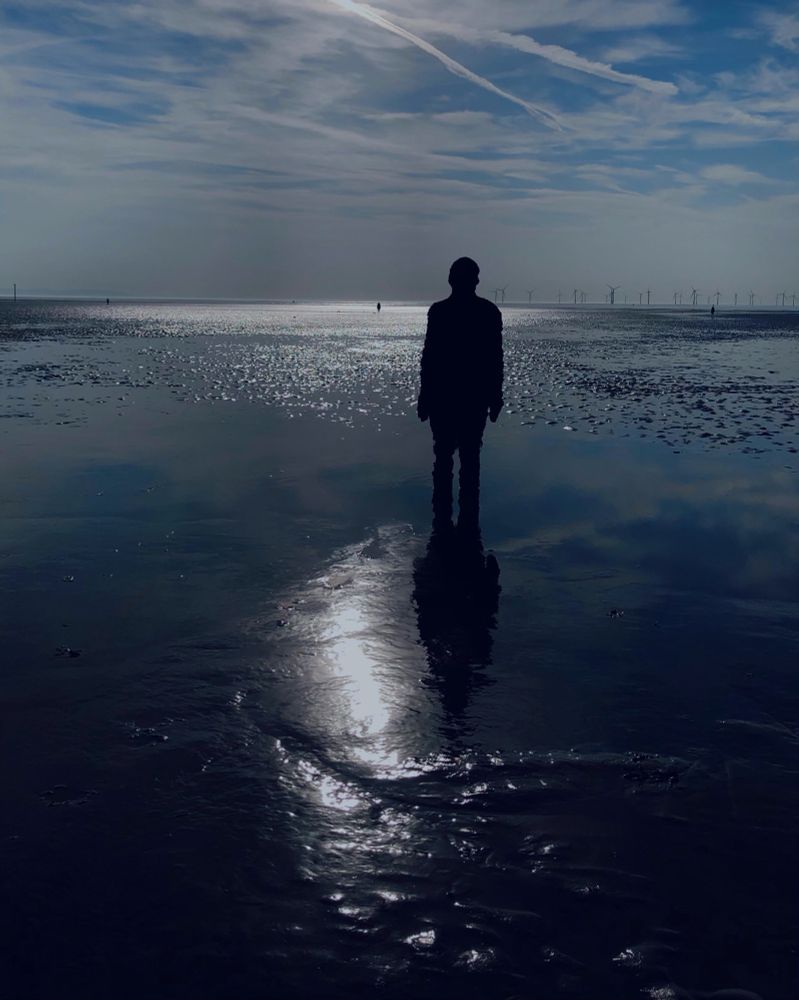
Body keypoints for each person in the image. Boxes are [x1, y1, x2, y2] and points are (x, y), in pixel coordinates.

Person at [417, 257, 503, 534]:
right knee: (467, 461)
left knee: (447, 461)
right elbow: (494, 360)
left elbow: (429, 359)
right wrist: (495, 396)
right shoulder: (488, 312)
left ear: (452, 279)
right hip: (469, 398)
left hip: (449, 397)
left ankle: (445, 525)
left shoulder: (440, 312)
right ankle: (462, 527)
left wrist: (424, 396)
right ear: (474, 280)